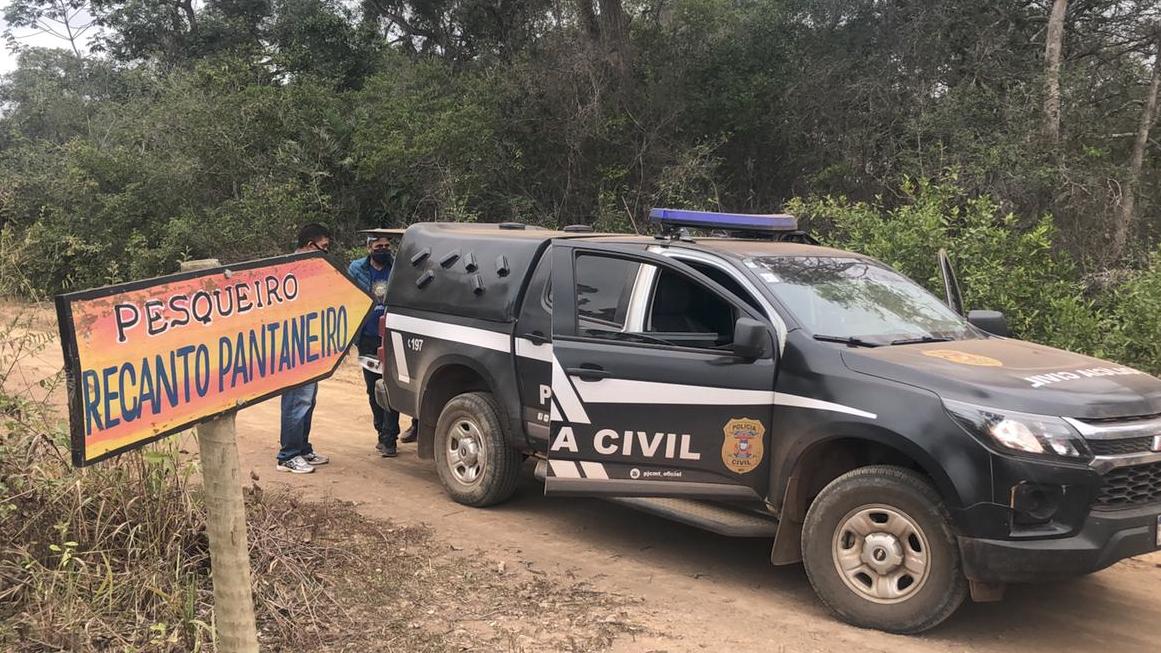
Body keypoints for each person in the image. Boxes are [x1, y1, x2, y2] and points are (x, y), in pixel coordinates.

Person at [348, 232, 418, 457]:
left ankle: (389, 438)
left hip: (392, 335)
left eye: (387, 245)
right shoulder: (356, 269)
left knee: (390, 384)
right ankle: (381, 430)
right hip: (367, 336)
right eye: (379, 245)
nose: (384, 249)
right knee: (372, 388)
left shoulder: (398, 266)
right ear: (369, 248)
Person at [276, 223, 333, 473]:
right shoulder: (288, 269)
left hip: (312, 344)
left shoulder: (315, 270)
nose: (325, 252)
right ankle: (287, 455)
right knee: (296, 400)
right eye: (324, 247)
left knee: (308, 399)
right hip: (293, 344)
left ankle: (303, 449)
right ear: (311, 245)